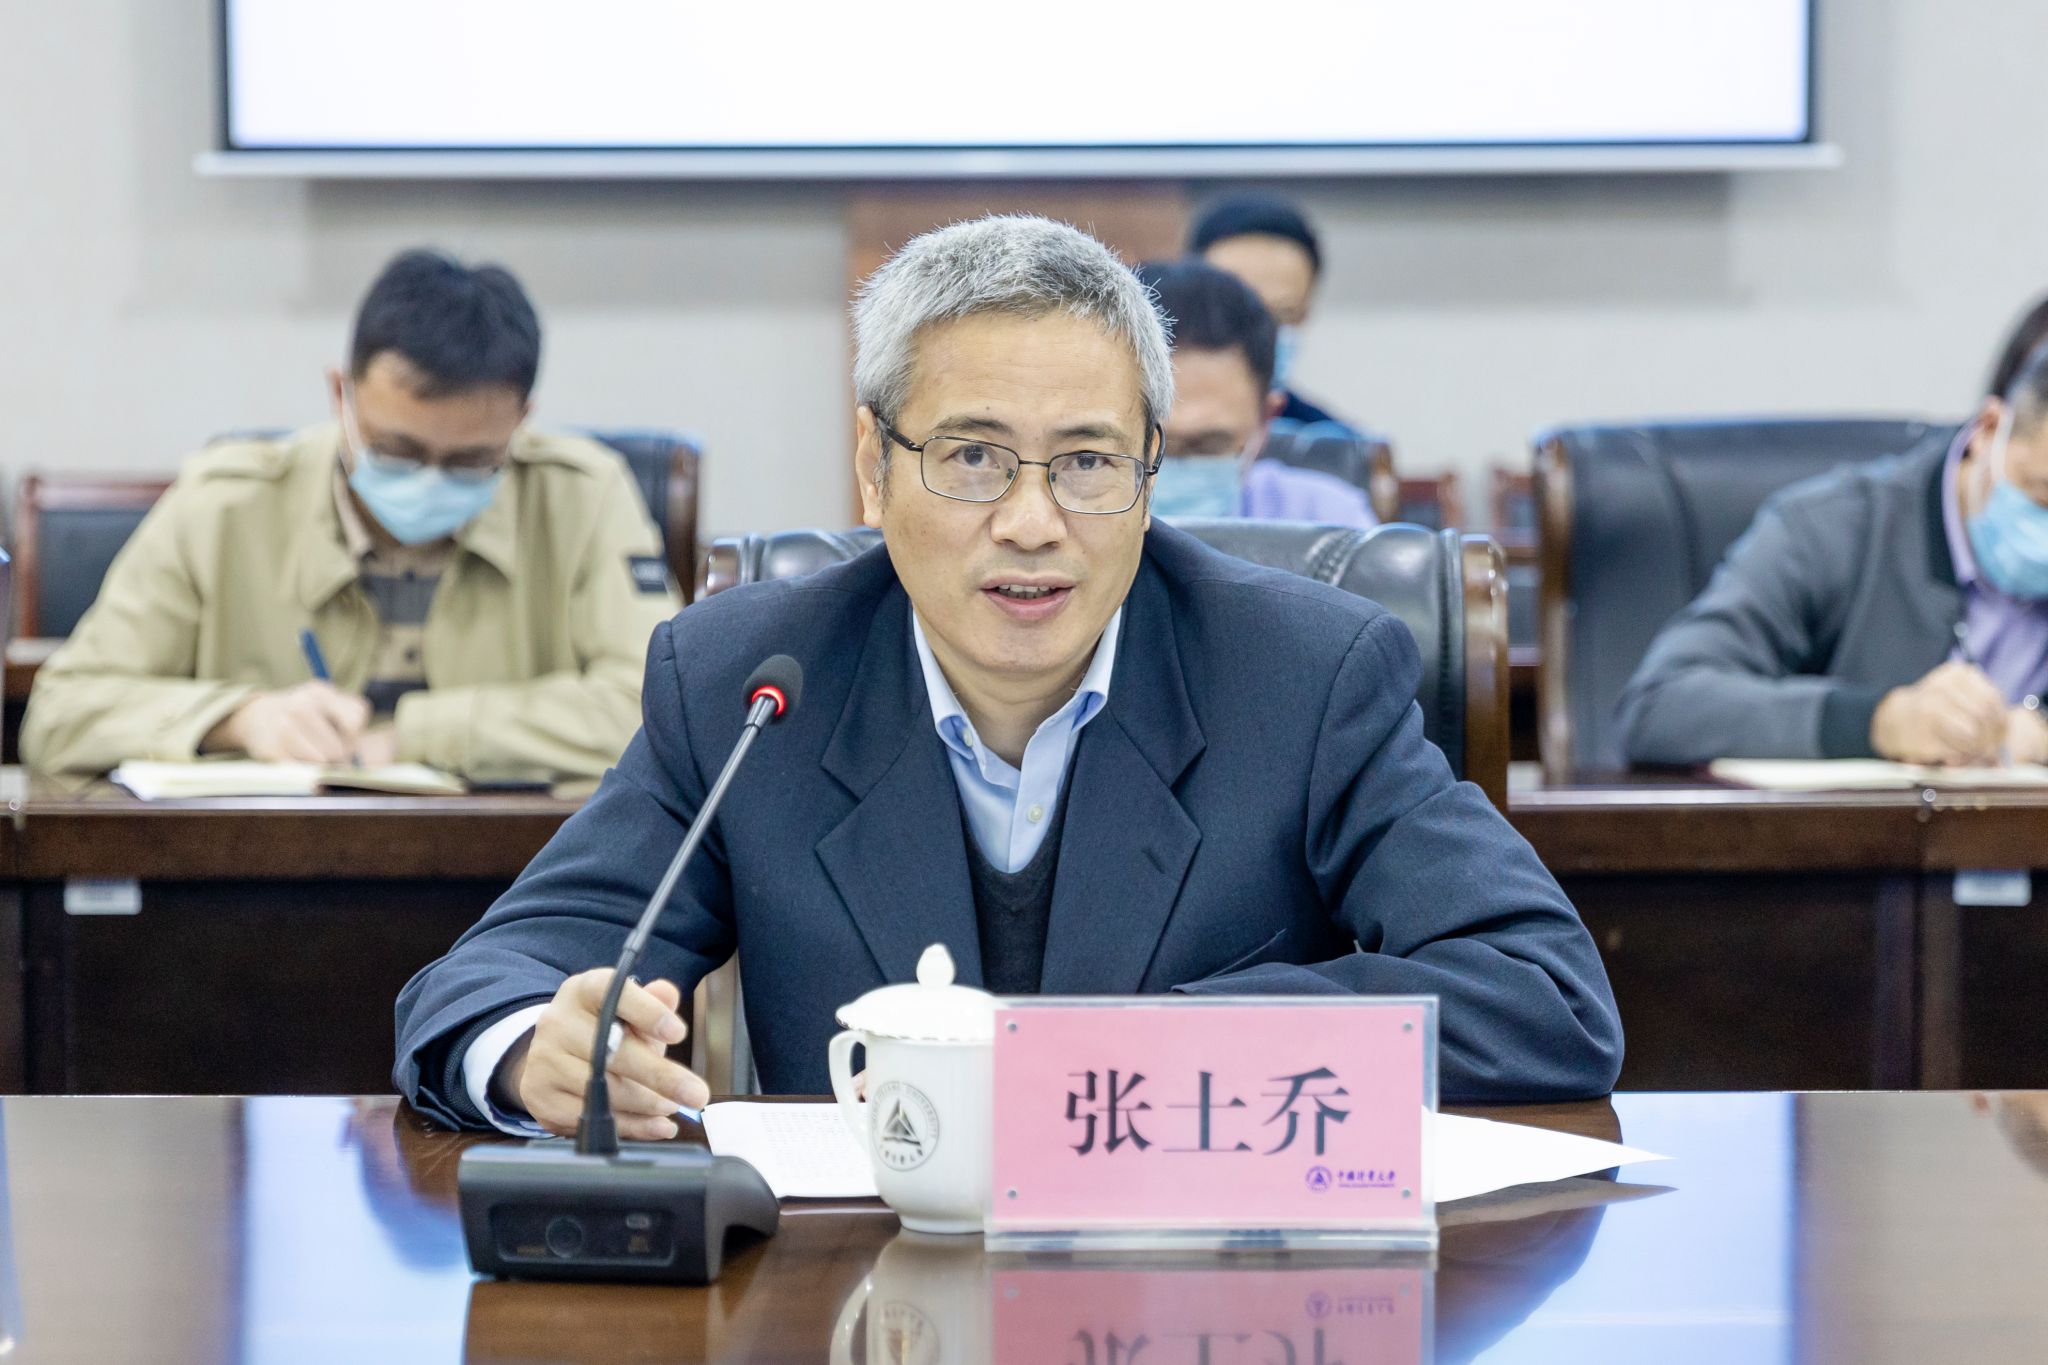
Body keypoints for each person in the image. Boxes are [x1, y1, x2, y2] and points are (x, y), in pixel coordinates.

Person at [394, 215, 1621, 1137]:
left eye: (1087, 462)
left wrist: (1147, 1053)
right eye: (973, 457)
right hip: (852, 1299)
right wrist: (533, 1052)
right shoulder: (749, 686)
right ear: (873, 466)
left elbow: (1542, 997)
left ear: (1148, 471)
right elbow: (486, 982)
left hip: (1191, 1291)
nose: (1032, 523)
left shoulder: (1301, 678)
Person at [21, 249, 680, 784]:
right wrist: (238, 718)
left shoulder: (582, 496)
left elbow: (660, 712)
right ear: (341, 394)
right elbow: (61, 713)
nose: (429, 481)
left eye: (470, 461)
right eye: (398, 451)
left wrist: (419, 734)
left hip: (510, 874)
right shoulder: (225, 503)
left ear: (520, 422)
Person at [1617, 336, 2048, 767]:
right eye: (2042, 496)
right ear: (1989, 430)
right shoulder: (1833, 528)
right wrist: (1881, 722)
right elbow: (1659, 706)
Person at [1138, 259, 1376, 526]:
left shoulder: (1328, 521)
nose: (1166, 469)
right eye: (1148, 445)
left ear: (1267, 417)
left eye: (1208, 446)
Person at [1188, 193, 1356, 431]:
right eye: (1236, 311)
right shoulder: (1142, 429)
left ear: (1304, 313)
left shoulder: (1334, 444)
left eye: (1282, 314)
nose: (1260, 332)